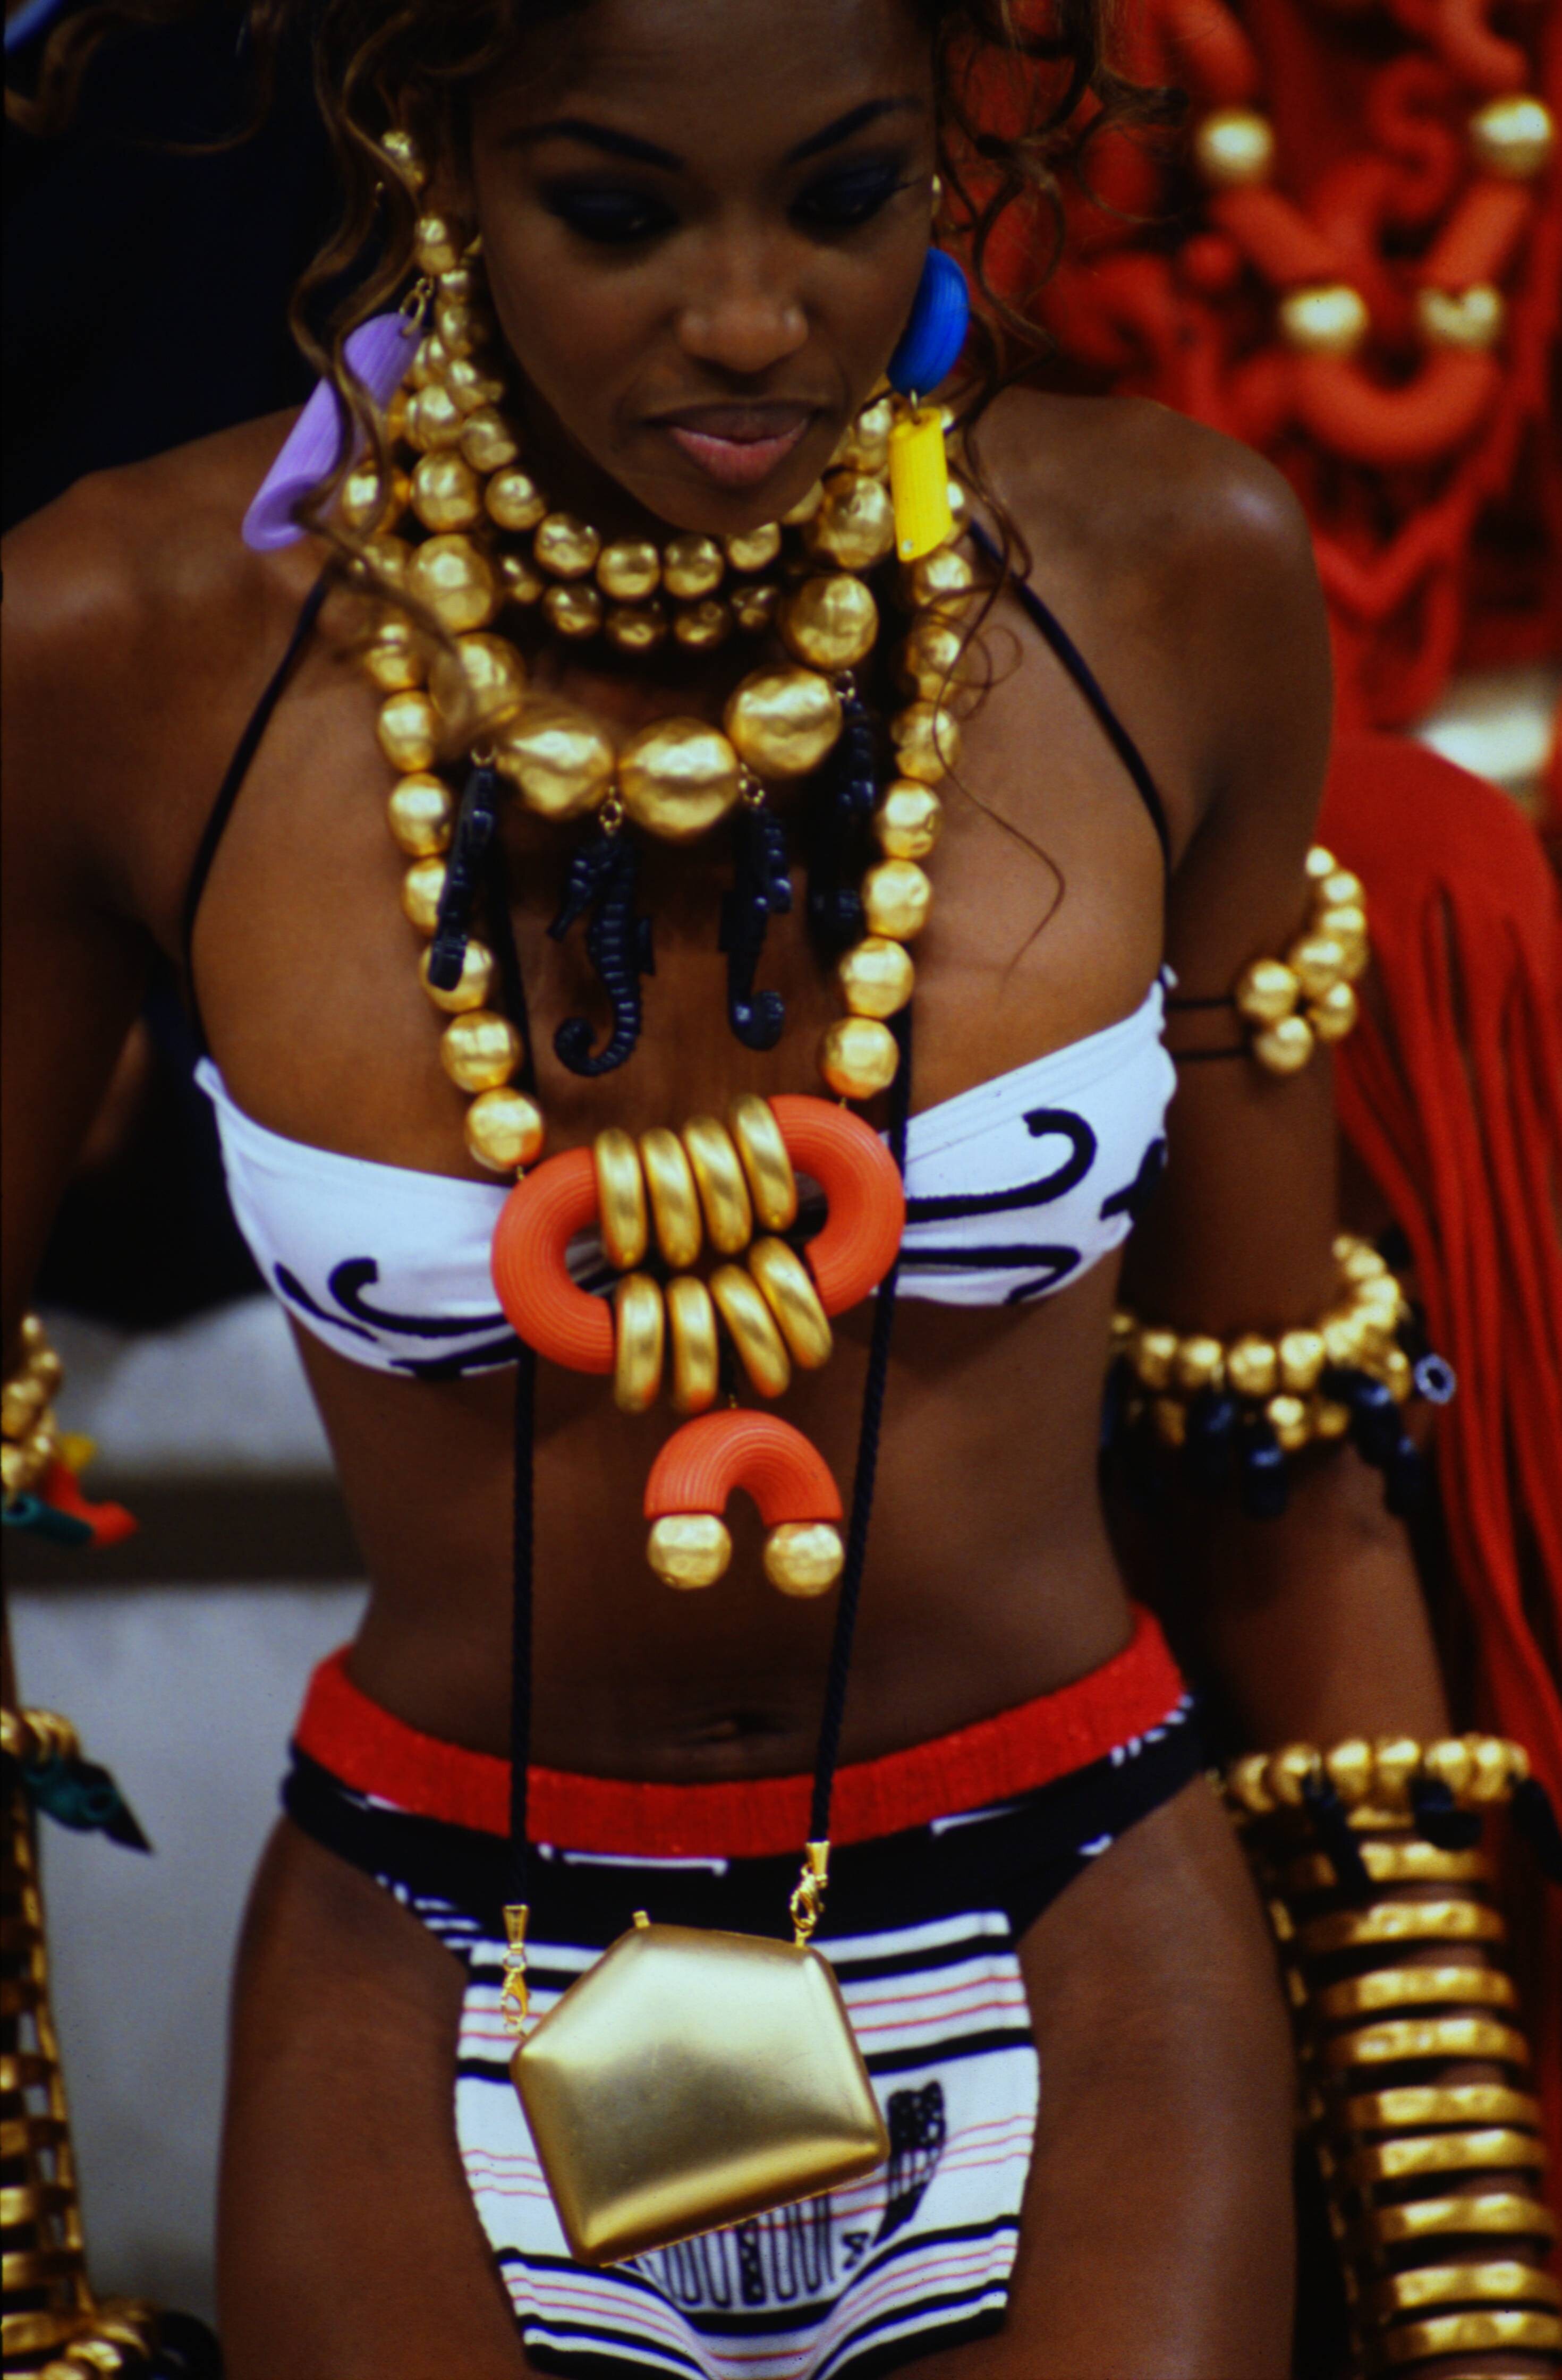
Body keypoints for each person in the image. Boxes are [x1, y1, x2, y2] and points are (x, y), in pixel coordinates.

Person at [6, 2, 1525, 2374]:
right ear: (433, 158)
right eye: (619, 213)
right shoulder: (121, 646)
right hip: (435, 1956)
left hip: (1083, 1931)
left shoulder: (1165, 573)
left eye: (845, 197)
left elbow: (1285, 1445)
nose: (747, 316)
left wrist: (1457, 2235)